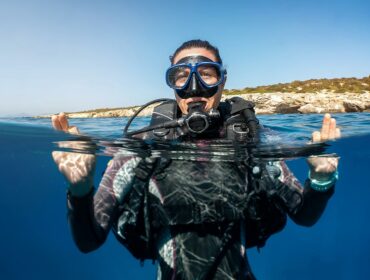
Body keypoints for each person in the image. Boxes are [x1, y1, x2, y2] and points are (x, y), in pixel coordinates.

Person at [52, 39, 340, 279]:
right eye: (181, 76)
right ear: (172, 85)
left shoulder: (251, 140)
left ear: (223, 81)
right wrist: (79, 188)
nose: (194, 88)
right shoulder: (144, 146)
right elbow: (89, 240)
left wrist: (321, 179)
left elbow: (304, 214)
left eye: (207, 73)